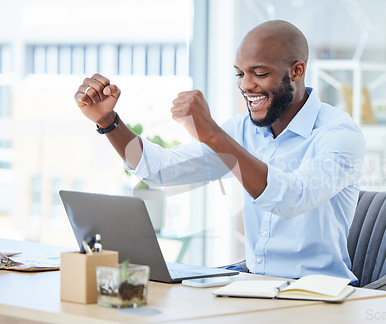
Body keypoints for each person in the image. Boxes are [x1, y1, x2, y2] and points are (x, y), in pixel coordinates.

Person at [74, 20, 365, 283]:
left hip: (320, 296)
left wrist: (212, 133)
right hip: (257, 288)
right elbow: (161, 171)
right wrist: (108, 121)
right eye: (240, 74)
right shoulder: (242, 130)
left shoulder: (338, 134)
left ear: (297, 71)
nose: (246, 85)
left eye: (259, 73)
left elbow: (291, 198)